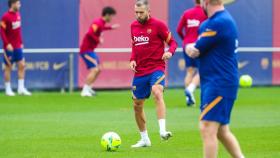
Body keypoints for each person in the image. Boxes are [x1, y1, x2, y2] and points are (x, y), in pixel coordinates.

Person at [186, 0, 245, 157]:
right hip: (218, 82)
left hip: (219, 83)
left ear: (205, 2)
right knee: (222, 131)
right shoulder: (224, 20)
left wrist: (188, 46)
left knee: (207, 128)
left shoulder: (216, 22)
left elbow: (194, 51)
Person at [129, 0, 178, 148]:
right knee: (137, 106)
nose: (138, 15)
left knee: (157, 92)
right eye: (136, 12)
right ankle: (144, 139)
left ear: (149, 11)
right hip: (140, 72)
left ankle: (163, 131)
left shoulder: (159, 25)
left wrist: (169, 52)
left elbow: (173, 43)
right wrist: (132, 59)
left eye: (141, 12)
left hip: (156, 67)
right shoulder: (133, 26)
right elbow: (134, 46)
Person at [80, 6, 119, 97]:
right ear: (107, 15)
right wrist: (98, 40)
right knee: (95, 69)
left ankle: (89, 88)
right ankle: (84, 91)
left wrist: (111, 28)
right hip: (86, 50)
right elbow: (90, 33)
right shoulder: (97, 22)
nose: (112, 18)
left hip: (91, 51)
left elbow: (101, 28)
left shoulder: (102, 23)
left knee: (98, 69)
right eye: (112, 16)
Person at [176, 0, 207, 106]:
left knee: (189, 71)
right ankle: (191, 89)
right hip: (199, 45)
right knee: (203, 70)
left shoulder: (187, 13)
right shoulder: (205, 12)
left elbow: (179, 30)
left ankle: (188, 99)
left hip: (187, 45)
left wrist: (185, 40)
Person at [0, 0, 31, 96]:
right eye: (18, 3)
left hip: (18, 46)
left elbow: (18, 31)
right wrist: (7, 43)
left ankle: (21, 88)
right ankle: (8, 90)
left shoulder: (18, 15)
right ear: (12, 4)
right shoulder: (5, 17)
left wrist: (21, 42)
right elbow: (2, 31)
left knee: (22, 65)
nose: (19, 5)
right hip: (9, 47)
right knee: (8, 67)